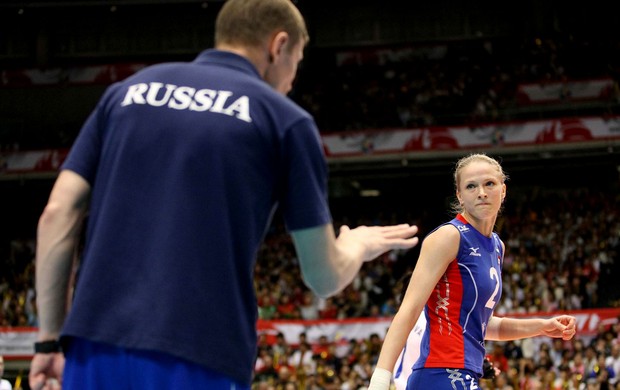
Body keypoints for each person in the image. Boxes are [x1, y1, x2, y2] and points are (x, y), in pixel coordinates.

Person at [27, 1, 420, 389]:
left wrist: (49, 338)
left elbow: (58, 213)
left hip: (92, 347)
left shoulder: (124, 94)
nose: (291, 81)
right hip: (200, 354)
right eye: (296, 63)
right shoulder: (284, 119)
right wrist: (356, 244)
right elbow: (322, 276)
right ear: (278, 45)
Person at [368, 153, 577, 390]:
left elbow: (485, 325)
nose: (481, 192)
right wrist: (380, 380)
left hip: (464, 374)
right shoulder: (448, 237)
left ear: (504, 190)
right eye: (471, 186)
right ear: (459, 195)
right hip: (440, 374)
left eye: (489, 183)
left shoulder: (497, 246)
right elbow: (409, 310)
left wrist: (543, 326)